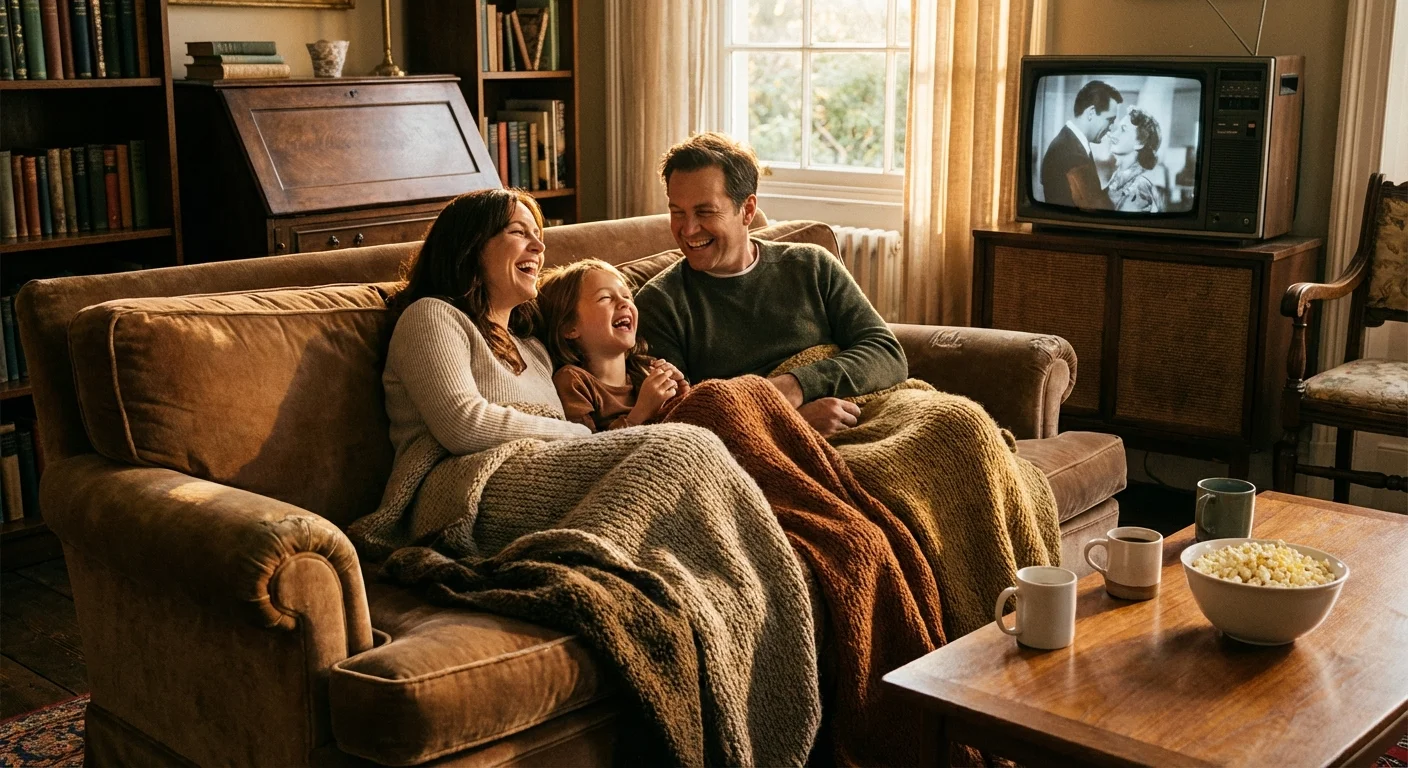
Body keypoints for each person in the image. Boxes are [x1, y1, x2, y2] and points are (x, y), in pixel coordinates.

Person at [635, 132, 908, 437]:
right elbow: (684, 422)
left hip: (858, 414)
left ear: (748, 210)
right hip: (771, 443)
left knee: (955, 420)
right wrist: (790, 421)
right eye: (677, 212)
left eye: (704, 212)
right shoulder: (659, 304)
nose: (688, 229)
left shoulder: (811, 265)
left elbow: (887, 353)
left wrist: (795, 386)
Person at [381, 188, 593, 457]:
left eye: (538, 236)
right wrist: (582, 435)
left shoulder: (534, 350)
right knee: (660, 450)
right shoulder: (431, 317)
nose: (540, 247)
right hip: (462, 484)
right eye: (518, 232)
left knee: (662, 444)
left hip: (540, 476)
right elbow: (462, 425)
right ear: (470, 246)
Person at [536, 258, 689, 431]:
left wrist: (680, 394)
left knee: (710, 396)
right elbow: (583, 449)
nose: (624, 303)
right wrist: (640, 413)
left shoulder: (644, 370)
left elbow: (676, 424)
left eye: (626, 296)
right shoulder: (573, 381)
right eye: (605, 298)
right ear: (569, 327)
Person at [1039, 79, 1122, 208]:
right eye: (1110, 120)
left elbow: (1090, 196)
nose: (1111, 128)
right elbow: (1093, 209)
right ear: (1091, 112)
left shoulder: (1071, 142)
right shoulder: (1070, 153)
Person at [1102, 108, 1164, 213]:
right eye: (1117, 129)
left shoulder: (1140, 186)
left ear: (1140, 143)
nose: (1113, 134)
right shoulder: (1117, 177)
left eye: (1123, 130)